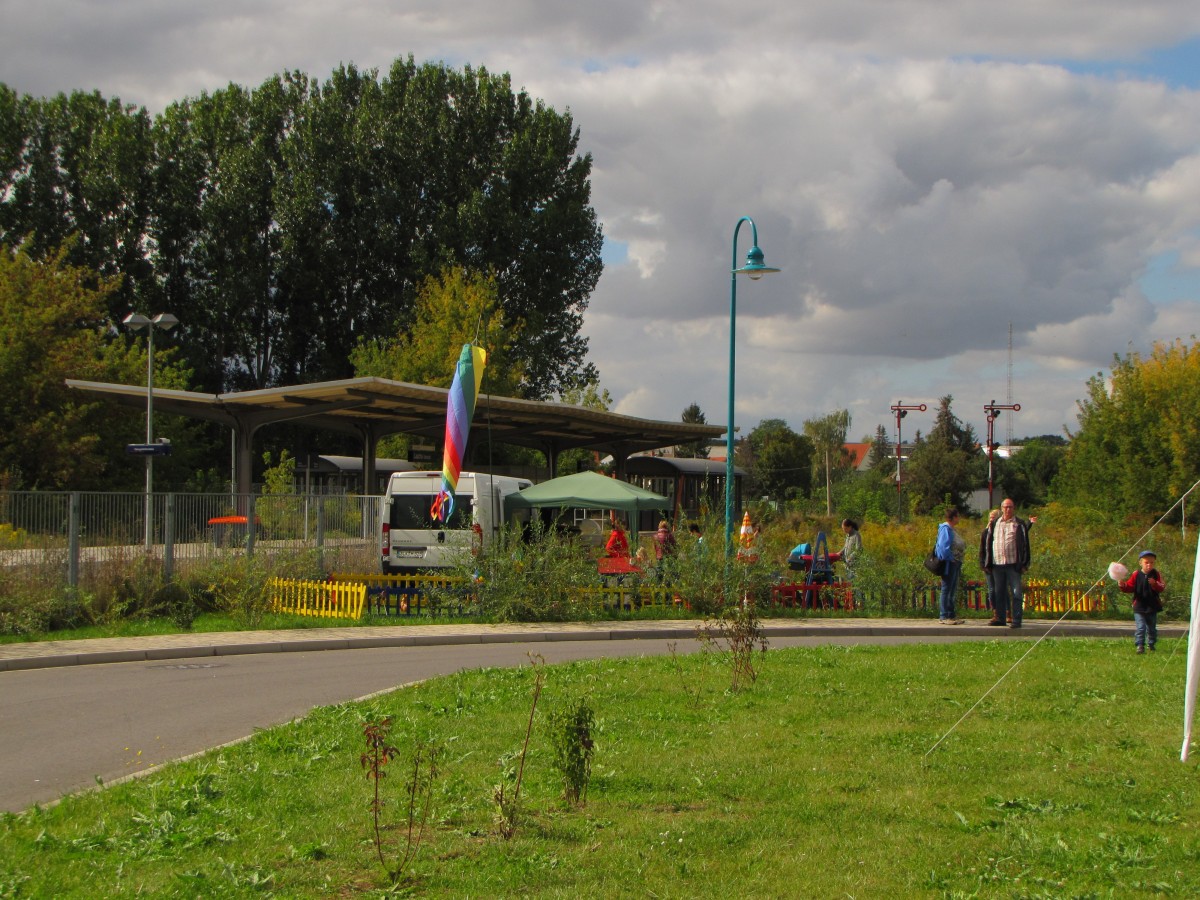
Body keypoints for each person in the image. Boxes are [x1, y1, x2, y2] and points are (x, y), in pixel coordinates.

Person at [981, 498, 1032, 629]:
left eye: (1010, 507)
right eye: (1005, 507)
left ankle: (1016, 619)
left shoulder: (1018, 524)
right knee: (999, 592)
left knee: (1016, 592)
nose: (1008, 509)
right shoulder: (995, 523)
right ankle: (1001, 618)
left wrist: (1025, 563)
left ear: (1013, 509)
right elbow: (987, 543)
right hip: (997, 563)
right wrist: (987, 562)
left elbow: (1025, 544)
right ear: (1002, 508)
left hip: (1013, 564)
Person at [1116, 550, 1166, 654]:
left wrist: (1154, 584)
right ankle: (1140, 645)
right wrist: (1122, 585)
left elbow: (1162, 587)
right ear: (1141, 563)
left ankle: (1151, 644)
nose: (1149, 565)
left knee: (1152, 628)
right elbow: (1129, 587)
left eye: (1151, 562)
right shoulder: (1136, 574)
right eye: (1146, 562)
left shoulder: (1156, 574)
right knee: (1141, 627)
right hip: (1139, 606)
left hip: (1152, 606)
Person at [934, 506, 966, 623]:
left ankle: (951, 614)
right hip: (949, 564)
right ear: (953, 517)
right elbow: (943, 547)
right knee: (946, 588)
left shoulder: (951, 529)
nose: (959, 518)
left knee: (952, 589)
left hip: (956, 563)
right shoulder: (945, 529)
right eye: (957, 516)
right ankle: (944, 615)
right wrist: (950, 558)